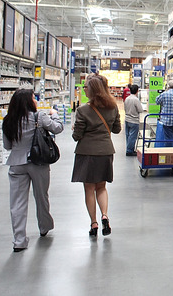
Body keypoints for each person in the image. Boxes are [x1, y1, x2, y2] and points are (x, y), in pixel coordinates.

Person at [2, 88, 64, 252]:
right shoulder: (39, 116)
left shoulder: (8, 120)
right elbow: (58, 128)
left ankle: (19, 241)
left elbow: (7, 146)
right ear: (29, 101)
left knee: (17, 203)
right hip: (38, 163)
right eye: (33, 98)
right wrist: (55, 113)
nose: (35, 100)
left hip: (16, 164)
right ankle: (44, 227)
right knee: (41, 196)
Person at [71, 75, 122, 237]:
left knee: (89, 188)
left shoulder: (82, 110)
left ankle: (94, 223)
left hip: (86, 153)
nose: (84, 89)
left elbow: (76, 136)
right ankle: (105, 215)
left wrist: (75, 129)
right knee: (102, 187)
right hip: (106, 151)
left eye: (86, 87)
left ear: (91, 90)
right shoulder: (113, 108)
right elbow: (116, 129)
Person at [124, 84, 144, 156]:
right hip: (134, 120)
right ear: (137, 91)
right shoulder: (136, 100)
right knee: (132, 136)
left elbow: (125, 108)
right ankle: (129, 151)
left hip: (127, 119)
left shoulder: (127, 98)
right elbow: (140, 110)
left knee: (128, 135)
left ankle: (128, 148)